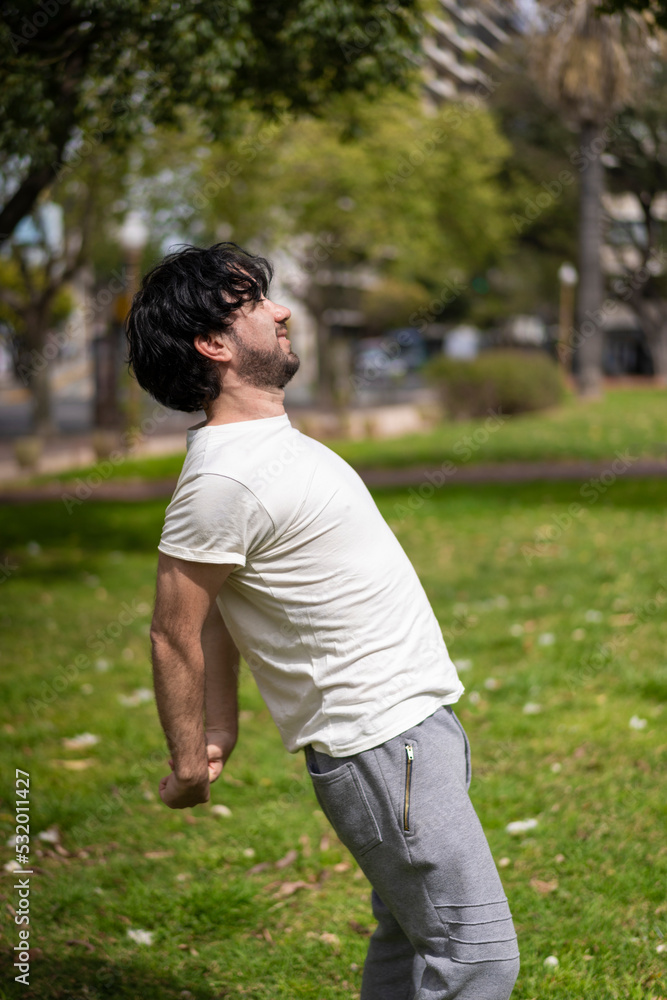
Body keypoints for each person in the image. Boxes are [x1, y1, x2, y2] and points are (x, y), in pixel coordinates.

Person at [126, 242, 520, 1000]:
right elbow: (173, 627)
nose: (280, 311)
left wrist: (223, 724)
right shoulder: (222, 480)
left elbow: (216, 611)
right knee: (476, 959)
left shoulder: (265, 446)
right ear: (213, 343)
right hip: (379, 745)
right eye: (253, 304)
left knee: (412, 942)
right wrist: (188, 758)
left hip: (411, 732)